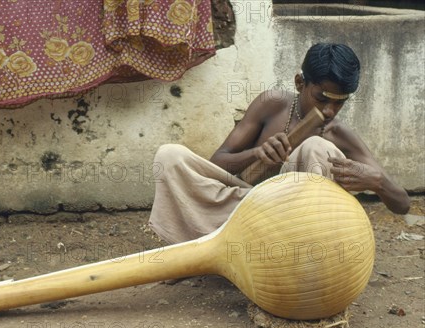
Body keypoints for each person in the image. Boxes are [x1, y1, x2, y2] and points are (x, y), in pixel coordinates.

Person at [149, 42, 410, 245]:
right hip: (242, 208)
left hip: (288, 225)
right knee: (170, 155)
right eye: (321, 99)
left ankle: (298, 258)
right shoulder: (272, 104)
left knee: (315, 148)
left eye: (339, 102)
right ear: (300, 83)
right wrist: (256, 153)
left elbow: (403, 204)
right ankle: (199, 250)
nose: (330, 111)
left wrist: (378, 182)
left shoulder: (338, 135)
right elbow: (218, 162)